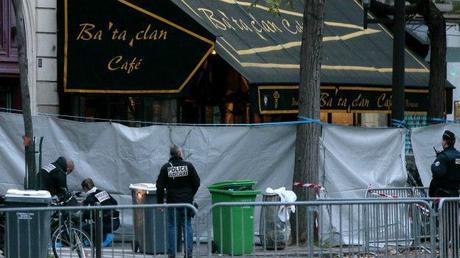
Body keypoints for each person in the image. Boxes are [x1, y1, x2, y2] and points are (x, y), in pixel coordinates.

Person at [156, 145, 200, 258]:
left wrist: (160, 203)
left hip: (173, 202)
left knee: (172, 227)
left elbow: (159, 186)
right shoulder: (188, 166)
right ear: (180, 153)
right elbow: (197, 182)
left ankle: (172, 253)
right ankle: (188, 253)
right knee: (187, 225)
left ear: (171, 154)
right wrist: (190, 195)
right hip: (186, 202)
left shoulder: (166, 167)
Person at [430, 130, 460, 258]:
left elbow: (438, 172)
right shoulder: (458, 155)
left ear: (445, 142)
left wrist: (438, 159)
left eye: (443, 140)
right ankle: (455, 253)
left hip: (444, 196)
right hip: (455, 195)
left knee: (443, 226)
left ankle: (443, 254)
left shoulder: (443, 157)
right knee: (454, 225)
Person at [80, 178, 120, 246]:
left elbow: (85, 209)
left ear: (85, 188)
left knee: (85, 227)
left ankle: (104, 238)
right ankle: (106, 236)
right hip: (115, 222)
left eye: (83, 189)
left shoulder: (91, 196)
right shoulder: (103, 192)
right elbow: (115, 202)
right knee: (97, 223)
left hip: (107, 223)